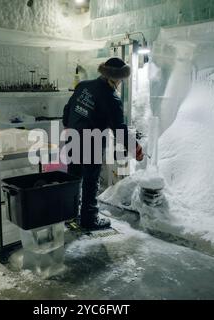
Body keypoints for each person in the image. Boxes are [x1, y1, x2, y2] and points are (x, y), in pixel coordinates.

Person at [62, 57, 144, 231]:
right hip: (92, 143)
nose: (121, 82)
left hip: (72, 137)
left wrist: (71, 127)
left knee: (74, 177)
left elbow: (67, 110)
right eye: (121, 79)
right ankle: (89, 219)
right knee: (91, 180)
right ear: (115, 78)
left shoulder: (83, 86)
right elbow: (120, 130)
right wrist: (135, 148)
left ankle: (69, 214)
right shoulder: (111, 98)